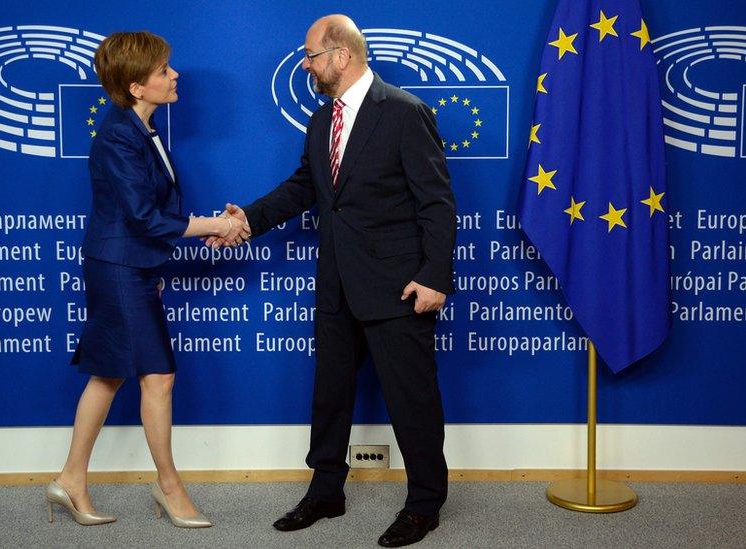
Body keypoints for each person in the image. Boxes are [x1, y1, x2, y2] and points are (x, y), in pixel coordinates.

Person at [213, 14, 456, 547]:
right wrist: (246, 221)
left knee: (412, 400)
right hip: (336, 286)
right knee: (330, 398)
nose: (307, 65)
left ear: (341, 55)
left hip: (397, 288)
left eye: (312, 56)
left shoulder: (404, 113)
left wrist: (435, 277)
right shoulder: (323, 120)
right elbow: (306, 187)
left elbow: (436, 203)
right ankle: (326, 491)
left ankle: (424, 505)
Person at [46, 31, 247, 528]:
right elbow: (142, 216)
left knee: (110, 374)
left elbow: (149, 215)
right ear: (137, 86)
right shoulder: (118, 134)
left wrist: (161, 259)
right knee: (157, 376)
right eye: (163, 71)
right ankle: (169, 486)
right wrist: (218, 225)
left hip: (130, 268)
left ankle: (70, 480)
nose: (174, 75)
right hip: (119, 269)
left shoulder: (139, 129)